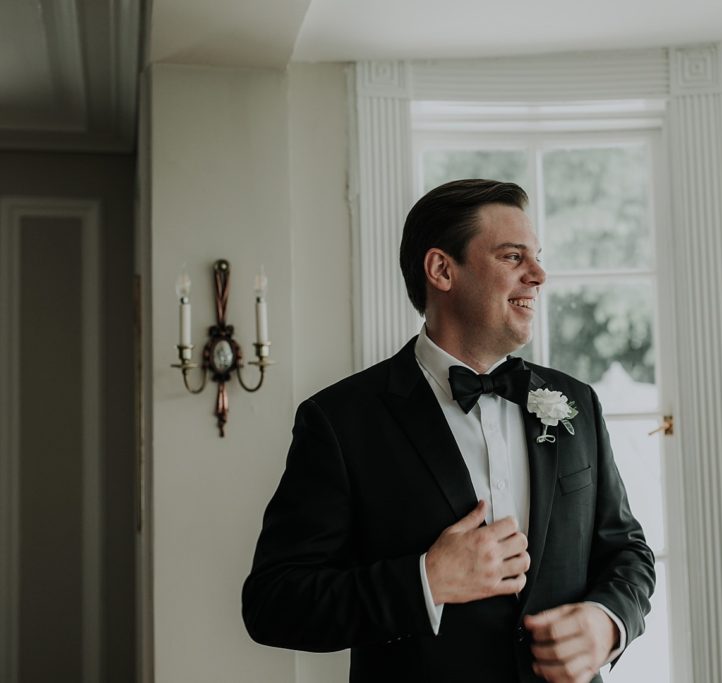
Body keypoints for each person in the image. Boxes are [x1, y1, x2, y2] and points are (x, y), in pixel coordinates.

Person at [242, 179, 655, 683]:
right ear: (442, 269)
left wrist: (607, 623)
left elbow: (627, 552)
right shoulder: (340, 421)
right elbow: (274, 603)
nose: (540, 274)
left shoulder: (578, 403)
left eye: (537, 256)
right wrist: (426, 581)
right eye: (512, 256)